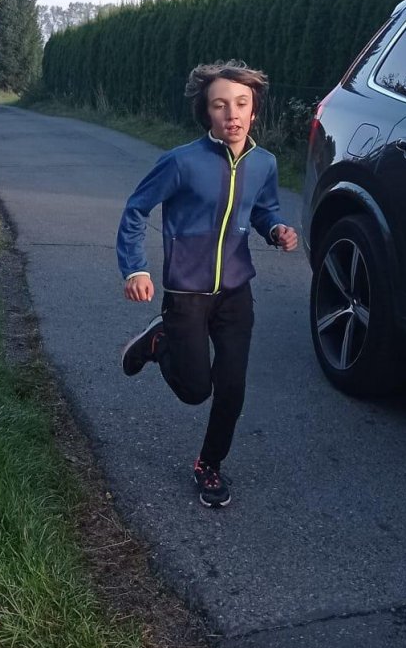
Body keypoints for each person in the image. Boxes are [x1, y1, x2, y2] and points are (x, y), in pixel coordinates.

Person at [116, 60, 298, 508]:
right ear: (207, 112)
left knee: (232, 388)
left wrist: (276, 229)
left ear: (254, 110)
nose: (232, 114)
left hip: (236, 292)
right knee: (195, 390)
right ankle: (159, 341)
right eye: (220, 105)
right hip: (187, 292)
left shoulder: (264, 163)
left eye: (241, 103)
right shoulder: (181, 162)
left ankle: (209, 464)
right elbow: (137, 209)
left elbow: (263, 209)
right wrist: (135, 268)